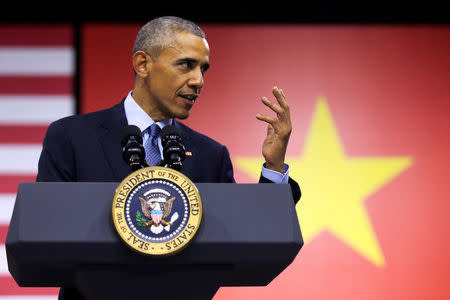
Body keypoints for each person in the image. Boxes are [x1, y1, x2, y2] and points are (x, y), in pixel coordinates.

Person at [37, 16, 301, 300]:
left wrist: (274, 168)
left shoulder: (211, 155)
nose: (198, 81)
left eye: (204, 69)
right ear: (142, 64)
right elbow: (46, 232)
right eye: (186, 65)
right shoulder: (71, 137)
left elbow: (249, 240)